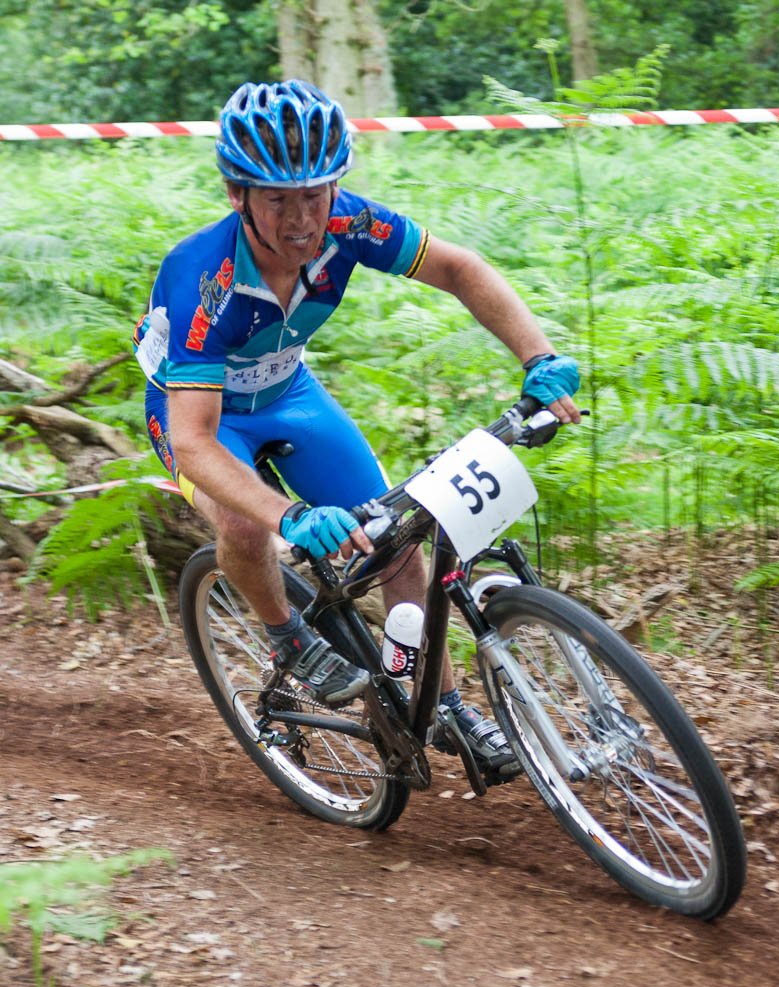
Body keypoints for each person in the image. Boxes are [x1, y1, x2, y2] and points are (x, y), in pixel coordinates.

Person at [133, 79, 581, 775]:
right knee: (247, 527)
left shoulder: (348, 224)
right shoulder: (205, 278)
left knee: (396, 538)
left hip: (289, 393)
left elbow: (460, 269)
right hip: (197, 415)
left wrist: (539, 354)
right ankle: (285, 640)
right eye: (278, 199)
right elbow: (193, 442)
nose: (302, 219)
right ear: (237, 194)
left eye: (316, 193)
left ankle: (448, 706)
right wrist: (291, 515)